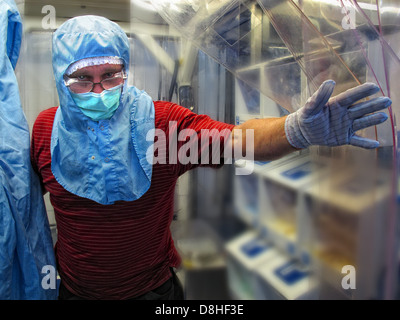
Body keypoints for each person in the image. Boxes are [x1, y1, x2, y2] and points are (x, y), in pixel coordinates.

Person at [30, 15, 391, 300]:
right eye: (82, 78)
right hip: (75, 291)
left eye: (110, 75)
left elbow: (237, 140)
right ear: (62, 79)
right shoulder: (46, 130)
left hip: (152, 291)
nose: (98, 90)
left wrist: (296, 130)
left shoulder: (162, 125)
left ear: (125, 70)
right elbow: (24, 205)